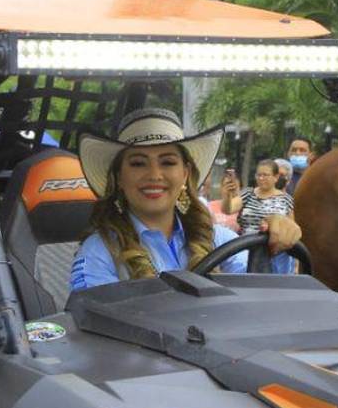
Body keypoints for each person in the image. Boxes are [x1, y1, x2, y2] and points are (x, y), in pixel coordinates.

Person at [70, 108, 301, 290]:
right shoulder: (98, 252)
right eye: (138, 163)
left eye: (168, 162)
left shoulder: (219, 239)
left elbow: (265, 291)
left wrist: (278, 240)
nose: (154, 175)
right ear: (119, 177)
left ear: (185, 173)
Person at [221, 159, 297, 274]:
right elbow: (228, 209)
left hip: (277, 256)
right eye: (259, 175)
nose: (261, 178)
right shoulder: (248, 194)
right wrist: (227, 196)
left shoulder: (286, 200)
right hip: (247, 251)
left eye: (265, 175)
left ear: (275, 177)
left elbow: (291, 230)